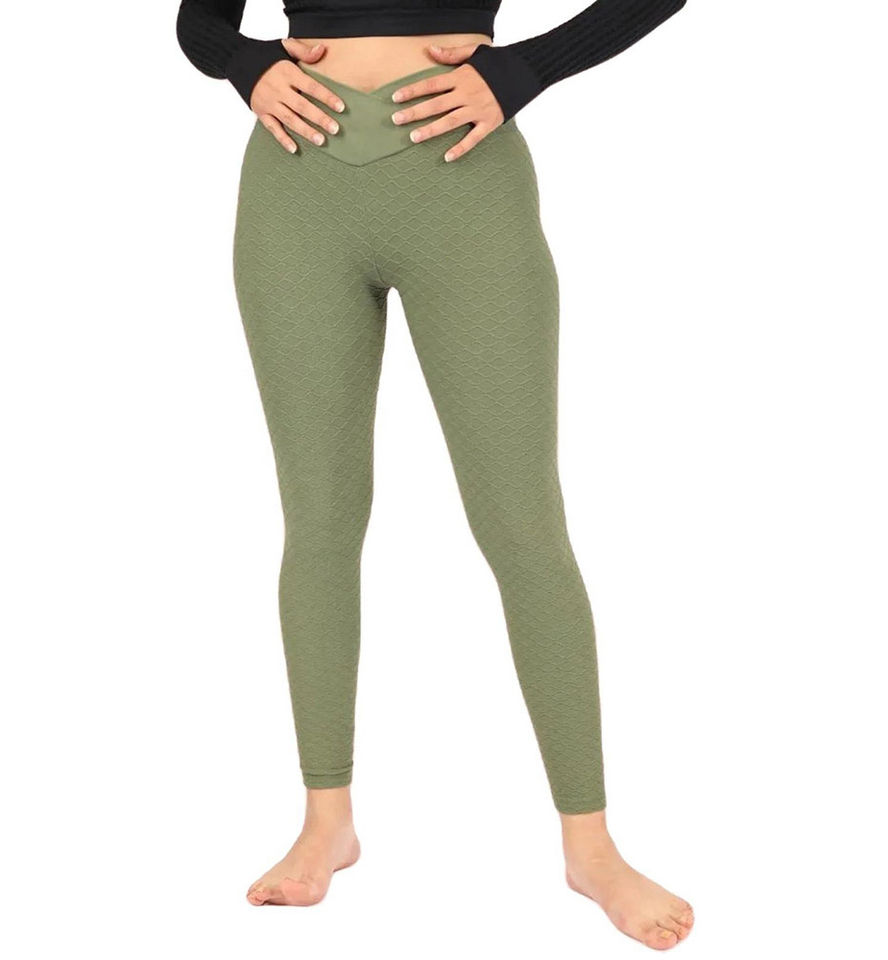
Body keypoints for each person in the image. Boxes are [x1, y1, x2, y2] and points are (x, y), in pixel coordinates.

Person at [176, 0, 692, 949]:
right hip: (297, 184)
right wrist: (245, 65)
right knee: (319, 520)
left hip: (464, 174)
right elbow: (199, 20)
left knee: (523, 528)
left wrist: (529, 68)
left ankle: (591, 846)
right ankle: (326, 823)